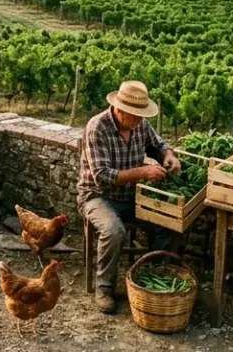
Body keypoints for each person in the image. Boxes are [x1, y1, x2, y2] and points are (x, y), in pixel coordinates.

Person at [77, 80, 180, 314]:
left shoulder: (139, 124)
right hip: (98, 196)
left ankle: (152, 277)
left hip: (131, 195)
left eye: (141, 116)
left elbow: (158, 145)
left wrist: (169, 155)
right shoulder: (97, 127)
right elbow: (102, 176)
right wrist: (143, 172)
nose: (140, 121)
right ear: (119, 110)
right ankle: (104, 289)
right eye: (135, 116)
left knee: (167, 221)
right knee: (114, 231)